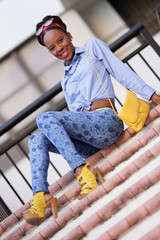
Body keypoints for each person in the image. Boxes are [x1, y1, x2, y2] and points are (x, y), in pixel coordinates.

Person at [23, 15, 160, 225]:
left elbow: (120, 72)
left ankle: (83, 173)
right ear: (50, 52)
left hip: (107, 122)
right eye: (52, 48)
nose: (59, 48)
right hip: (89, 141)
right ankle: (41, 194)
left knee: (45, 117)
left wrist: (153, 96)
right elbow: (72, 121)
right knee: (35, 139)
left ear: (68, 35)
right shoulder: (65, 82)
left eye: (60, 40)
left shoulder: (91, 48)